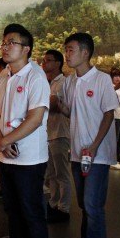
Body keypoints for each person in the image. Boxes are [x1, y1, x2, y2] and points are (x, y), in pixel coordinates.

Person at [0, 24, 49, 238]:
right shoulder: (5, 75)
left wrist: (4, 141)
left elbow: (35, 118)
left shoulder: (36, 77)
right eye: (4, 43)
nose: (5, 47)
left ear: (26, 49)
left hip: (29, 158)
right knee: (12, 209)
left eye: (11, 42)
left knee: (32, 212)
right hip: (6, 156)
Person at [56, 32, 117, 238]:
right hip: (76, 153)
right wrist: (59, 106)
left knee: (92, 205)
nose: (67, 54)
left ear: (85, 52)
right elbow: (72, 112)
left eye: (71, 49)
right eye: (66, 50)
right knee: (84, 205)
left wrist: (94, 146)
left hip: (97, 155)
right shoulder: (69, 82)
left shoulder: (102, 80)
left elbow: (109, 114)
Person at [41, 49, 72, 223]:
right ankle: (53, 203)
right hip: (49, 132)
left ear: (58, 63)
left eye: (48, 60)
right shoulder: (48, 82)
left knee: (62, 173)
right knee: (52, 173)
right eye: (43, 60)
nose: (44, 63)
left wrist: (38, 104)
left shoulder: (63, 82)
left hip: (60, 132)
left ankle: (64, 208)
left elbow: (51, 104)